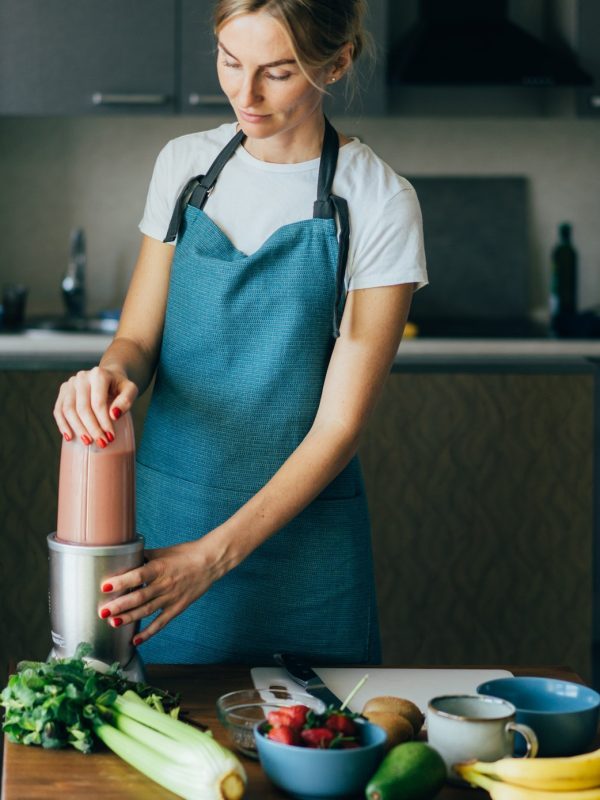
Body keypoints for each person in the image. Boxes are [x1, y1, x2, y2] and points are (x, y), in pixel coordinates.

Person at [53, 0, 427, 665]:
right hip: (169, 527)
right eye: (230, 61)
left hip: (301, 554)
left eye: (278, 73)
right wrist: (109, 376)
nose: (245, 95)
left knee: (314, 748)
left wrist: (212, 557)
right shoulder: (184, 168)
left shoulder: (378, 201)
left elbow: (339, 428)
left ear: (336, 63)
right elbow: (137, 341)